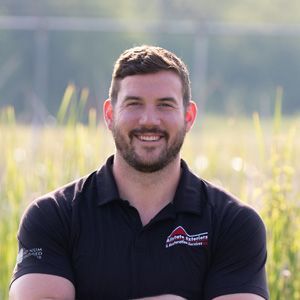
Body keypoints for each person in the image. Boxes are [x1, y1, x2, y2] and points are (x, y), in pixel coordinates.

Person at [9, 45, 269, 300]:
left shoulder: (233, 223)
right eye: (134, 104)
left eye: (165, 105)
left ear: (188, 117)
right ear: (110, 115)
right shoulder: (54, 216)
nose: (149, 120)